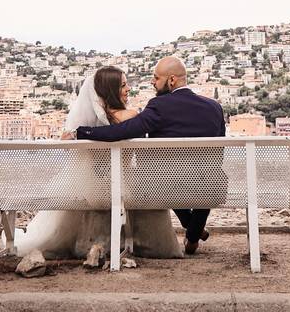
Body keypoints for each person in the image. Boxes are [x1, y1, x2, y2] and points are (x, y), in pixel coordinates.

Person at [11, 66, 182, 259]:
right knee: (134, 188)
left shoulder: (94, 123)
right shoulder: (130, 116)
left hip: (92, 190)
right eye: (123, 85)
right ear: (111, 90)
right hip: (121, 189)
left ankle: (95, 245)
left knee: (105, 191)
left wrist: (78, 133)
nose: (128, 90)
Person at [69, 56, 226, 255]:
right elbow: (219, 153)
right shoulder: (214, 108)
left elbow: (123, 131)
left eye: (156, 78)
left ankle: (193, 233)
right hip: (212, 186)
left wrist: (81, 133)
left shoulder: (159, 106)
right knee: (207, 179)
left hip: (164, 185)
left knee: (160, 177)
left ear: (171, 81)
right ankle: (194, 235)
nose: (152, 82)